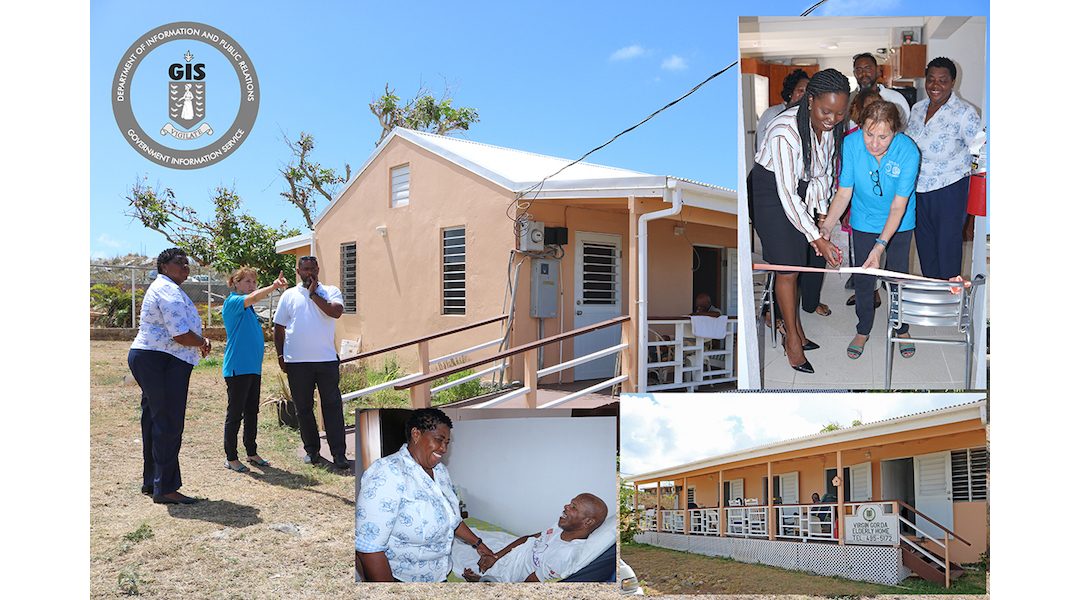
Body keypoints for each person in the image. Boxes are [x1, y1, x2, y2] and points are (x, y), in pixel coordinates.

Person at [751, 68, 849, 373]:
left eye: (839, 112)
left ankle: (796, 329)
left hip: (799, 188)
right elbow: (786, 193)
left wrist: (822, 221)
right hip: (769, 193)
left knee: (802, 256)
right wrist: (815, 236)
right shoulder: (784, 130)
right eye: (826, 110)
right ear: (809, 100)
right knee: (789, 267)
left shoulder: (830, 127)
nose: (832, 119)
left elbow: (822, 176)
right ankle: (791, 338)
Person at [820, 100, 920, 360]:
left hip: (899, 223)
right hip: (864, 220)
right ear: (860, 126)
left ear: (895, 132)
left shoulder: (908, 152)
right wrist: (827, 226)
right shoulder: (851, 144)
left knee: (898, 278)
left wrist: (880, 247)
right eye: (869, 133)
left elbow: (898, 207)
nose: (874, 143)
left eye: (883, 136)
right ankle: (863, 329)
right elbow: (844, 193)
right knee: (864, 280)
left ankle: (902, 327)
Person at [355, 409, 496, 582]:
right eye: (439, 440)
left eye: (447, 442)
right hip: (403, 579)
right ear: (416, 434)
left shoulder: (441, 472)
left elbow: (452, 520)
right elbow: (369, 548)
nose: (444, 448)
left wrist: (479, 545)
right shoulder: (387, 473)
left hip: (439, 576)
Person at [127, 248, 212, 505]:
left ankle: (153, 481)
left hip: (155, 357)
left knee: (155, 420)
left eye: (187, 263)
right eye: (179, 263)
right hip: (161, 359)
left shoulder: (169, 288)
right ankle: (165, 488)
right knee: (168, 423)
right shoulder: (168, 290)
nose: (185, 267)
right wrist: (203, 342)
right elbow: (180, 334)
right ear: (164, 266)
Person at [906, 57, 983, 280]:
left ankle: (951, 303)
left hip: (950, 188)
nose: (935, 85)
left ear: (953, 82)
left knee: (948, 248)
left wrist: (977, 199)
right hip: (918, 189)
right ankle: (933, 297)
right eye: (931, 80)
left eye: (942, 80)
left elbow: (980, 152)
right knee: (925, 246)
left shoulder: (964, 113)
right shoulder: (918, 108)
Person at [273, 255, 349, 470]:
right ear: (298, 271)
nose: (310, 273)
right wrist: (281, 355)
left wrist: (314, 294)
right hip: (297, 362)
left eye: (313, 269)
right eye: (305, 269)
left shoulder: (330, 291)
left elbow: (335, 312)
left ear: (318, 269)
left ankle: (339, 454)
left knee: (332, 406)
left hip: (326, 360)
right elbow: (278, 328)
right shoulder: (289, 295)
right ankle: (312, 451)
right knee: (303, 408)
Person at [221, 267, 289, 473]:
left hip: (252, 369)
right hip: (237, 368)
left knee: (252, 412)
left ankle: (251, 452)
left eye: (253, 282)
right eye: (247, 281)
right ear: (235, 282)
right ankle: (231, 458)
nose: (251, 285)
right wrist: (274, 286)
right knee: (235, 414)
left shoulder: (248, 308)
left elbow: (254, 298)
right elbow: (254, 297)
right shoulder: (233, 302)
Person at [463, 493, 609, 583]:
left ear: (588, 522)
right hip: (510, 555)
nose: (566, 506)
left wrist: (483, 581)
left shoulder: (564, 555)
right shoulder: (561, 526)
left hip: (506, 576)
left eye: (574, 507)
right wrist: (495, 556)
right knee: (466, 538)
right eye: (570, 503)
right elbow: (529, 538)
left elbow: (528, 584)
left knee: (456, 558)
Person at [756, 69, 810, 153]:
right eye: (800, 90)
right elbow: (761, 146)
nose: (804, 95)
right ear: (790, 92)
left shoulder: (805, 116)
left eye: (807, 92)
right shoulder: (773, 113)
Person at [852, 53, 910, 126]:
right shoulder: (849, 99)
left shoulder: (896, 99)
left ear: (878, 71)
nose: (863, 73)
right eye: (859, 70)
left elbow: (903, 126)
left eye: (868, 68)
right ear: (854, 74)